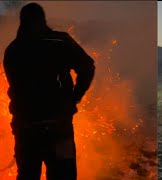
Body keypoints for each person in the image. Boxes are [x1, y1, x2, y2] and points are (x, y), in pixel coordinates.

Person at [3, 3, 95, 180]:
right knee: (64, 175)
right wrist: (75, 97)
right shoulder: (60, 41)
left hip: (26, 129)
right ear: (42, 20)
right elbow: (87, 67)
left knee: (28, 175)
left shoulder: (13, 50)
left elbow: (17, 88)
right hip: (58, 128)